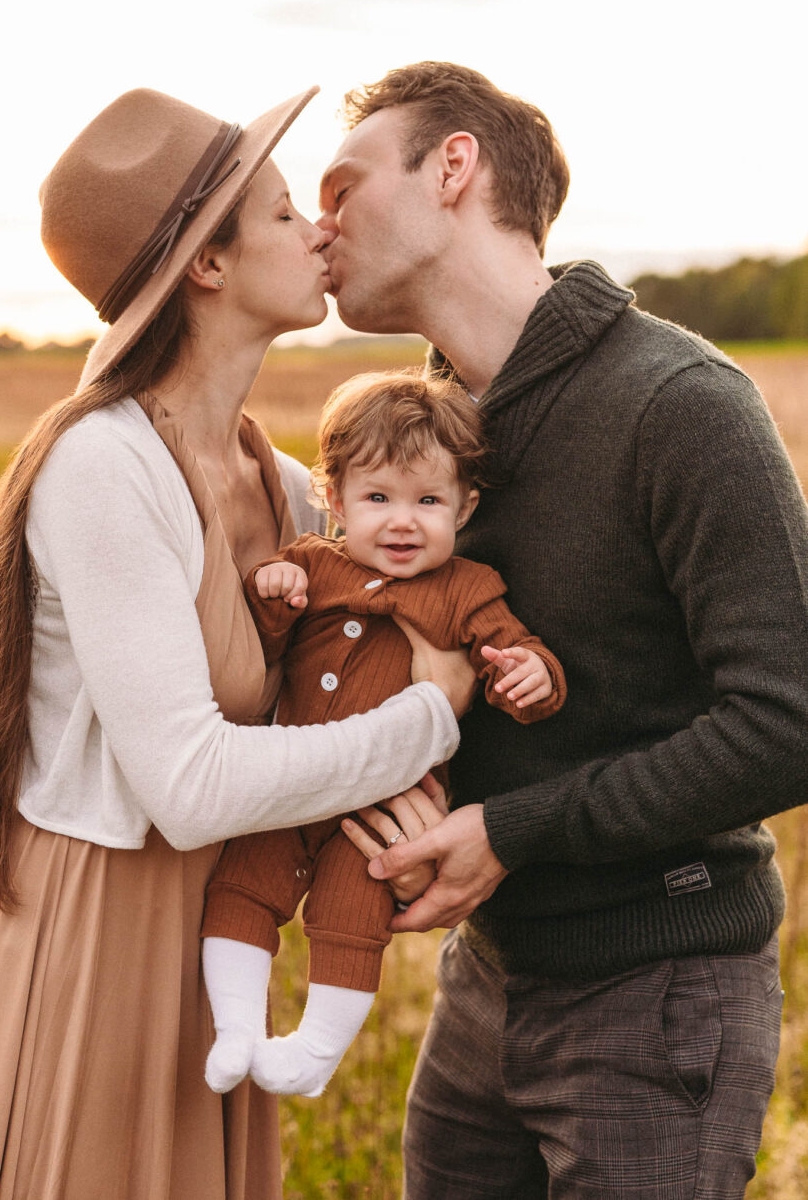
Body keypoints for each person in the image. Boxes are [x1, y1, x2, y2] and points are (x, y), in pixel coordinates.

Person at [0, 85, 472, 1199]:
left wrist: (421, 780)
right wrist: (428, 716)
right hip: (94, 936)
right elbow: (187, 783)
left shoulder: (276, 480)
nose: (319, 229)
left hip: (214, 930)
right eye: (284, 214)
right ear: (209, 267)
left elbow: (338, 687)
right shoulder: (104, 468)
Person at [316, 61, 808, 1198]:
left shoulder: (681, 403)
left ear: (453, 167)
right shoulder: (422, 447)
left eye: (345, 185)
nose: (319, 222)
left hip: (657, 1000)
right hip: (487, 983)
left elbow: (789, 719)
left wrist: (515, 829)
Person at [200, 369, 566, 1099]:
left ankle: (314, 1052)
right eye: (377, 499)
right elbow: (261, 652)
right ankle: (235, 1026)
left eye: (428, 501)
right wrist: (272, 601)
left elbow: (511, 654)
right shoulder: (311, 565)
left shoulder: (467, 588)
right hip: (290, 784)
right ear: (331, 499)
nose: (403, 521)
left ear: (464, 507)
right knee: (243, 889)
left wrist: (531, 677)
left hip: (375, 817)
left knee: (350, 915)